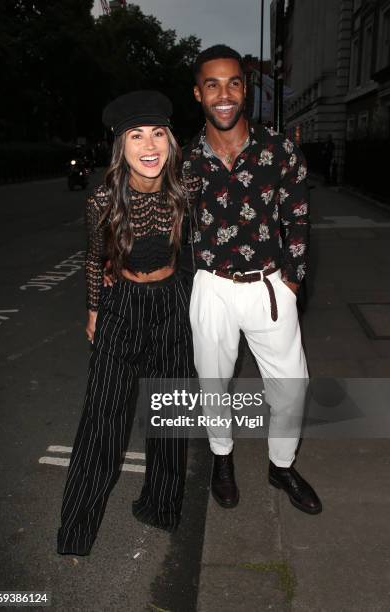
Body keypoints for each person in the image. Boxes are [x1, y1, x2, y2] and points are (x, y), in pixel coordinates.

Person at [57, 91, 201, 556]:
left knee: (172, 415)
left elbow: (193, 258)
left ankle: (161, 506)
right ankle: (76, 532)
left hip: (173, 306)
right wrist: (95, 311)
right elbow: (93, 258)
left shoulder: (184, 191)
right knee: (102, 420)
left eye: (158, 133)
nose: (149, 144)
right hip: (122, 306)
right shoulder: (102, 199)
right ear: (121, 146)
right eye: (136, 135)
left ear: (170, 140)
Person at [183, 45, 322, 514]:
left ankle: (280, 466)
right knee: (213, 382)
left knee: (292, 385)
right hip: (212, 287)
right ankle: (222, 458)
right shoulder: (184, 162)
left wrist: (293, 281)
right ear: (198, 93)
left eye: (233, 83)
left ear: (246, 90)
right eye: (212, 85)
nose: (224, 95)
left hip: (269, 285)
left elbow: (298, 220)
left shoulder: (279, 150)